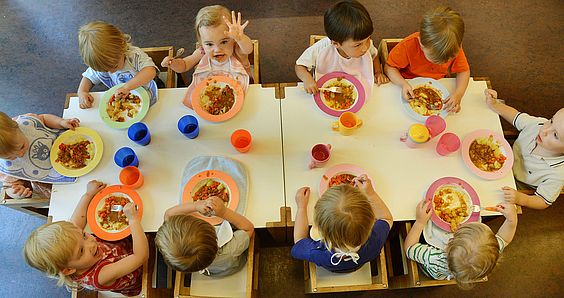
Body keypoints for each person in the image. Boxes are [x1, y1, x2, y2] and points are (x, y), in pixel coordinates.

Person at [23, 181, 148, 296]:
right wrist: (133, 220)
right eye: (81, 251)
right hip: (140, 269)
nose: (91, 244)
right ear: (69, 270)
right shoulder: (100, 276)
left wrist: (88, 194)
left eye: (84, 235)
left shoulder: (76, 246)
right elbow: (140, 256)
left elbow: (76, 222)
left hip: (124, 245)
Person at [404, 199, 517, 289]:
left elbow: (409, 249)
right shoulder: (492, 250)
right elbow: (504, 239)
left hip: (430, 269)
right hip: (455, 273)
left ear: (450, 241)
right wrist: (511, 220)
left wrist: (419, 222)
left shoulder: (435, 258)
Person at [291, 175, 393, 273]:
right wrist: (371, 194)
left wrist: (301, 207)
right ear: (371, 221)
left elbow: (299, 241)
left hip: (332, 266)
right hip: (358, 262)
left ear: (320, 229)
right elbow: (386, 218)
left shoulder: (317, 252)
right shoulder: (375, 240)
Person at [485, 89, 564, 209]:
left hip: (510, 186)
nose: (544, 130)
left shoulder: (557, 175)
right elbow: (516, 116)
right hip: (497, 159)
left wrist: (521, 199)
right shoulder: (539, 124)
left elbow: (543, 201)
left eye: (555, 135)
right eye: (551, 121)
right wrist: (495, 105)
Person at [161, 5, 253, 108]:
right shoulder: (202, 52)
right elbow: (184, 65)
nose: (217, 49)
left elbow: (248, 49)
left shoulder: (237, 50)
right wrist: (173, 63)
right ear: (201, 43)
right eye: (209, 44)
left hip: (244, 91)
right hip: (211, 95)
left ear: (232, 39)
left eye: (224, 42)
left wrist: (240, 38)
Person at [295, 0, 389, 98]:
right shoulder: (322, 49)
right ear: (336, 43)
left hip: (358, 88)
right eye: (358, 45)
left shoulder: (366, 45)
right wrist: (307, 79)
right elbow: (299, 66)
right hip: (325, 89)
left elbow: (374, 55)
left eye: (368, 38)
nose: (365, 47)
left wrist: (378, 72)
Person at [385, 6, 470, 112]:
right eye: (434, 60)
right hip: (407, 83)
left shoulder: (454, 48)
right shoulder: (408, 46)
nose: (443, 63)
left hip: (439, 84)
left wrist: (458, 94)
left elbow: (464, 71)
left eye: (448, 59)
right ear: (421, 43)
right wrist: (403, 84)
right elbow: (389, 67)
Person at [155, 196, 254, 277]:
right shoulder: (229, 251)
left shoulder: (181, 257)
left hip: (208, 270)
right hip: (231, 267)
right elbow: (248, 228)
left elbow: (169, 214)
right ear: (213, 235)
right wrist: (224, 212)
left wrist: (196, 206)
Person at [77, 21, 159, 109]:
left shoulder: (133, 55)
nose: (111, 72)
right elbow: (88, 77)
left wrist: (127, 87)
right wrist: (82, 92)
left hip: (149, 90)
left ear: (122, 45)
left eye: (114, 66)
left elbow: (150, 71)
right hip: (127, 99)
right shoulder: (102, 63)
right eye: (105, 70)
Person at [0, 111, 79, 199]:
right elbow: (8, 187)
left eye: (22, 147)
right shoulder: (5, 167)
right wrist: (16, 192)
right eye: (10, 157)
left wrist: (61, 122)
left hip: (68, 146)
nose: (21, 155)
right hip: (56, 185)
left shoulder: (27, 123)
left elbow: (43, 119)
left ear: (18, 126)